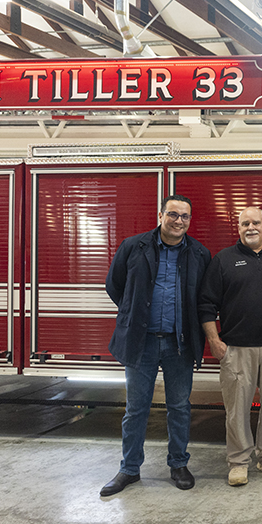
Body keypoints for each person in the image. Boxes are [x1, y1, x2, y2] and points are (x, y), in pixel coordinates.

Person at [100, 194, 211, 497]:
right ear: (160, 215)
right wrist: (132, 314)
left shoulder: (199, 254)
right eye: (173, 214)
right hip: (142, 343)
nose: (178, 221)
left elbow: (204, 298)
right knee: (136, 409)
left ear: (190, 220)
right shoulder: (133, 246)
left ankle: (178, 464)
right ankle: (129, 469)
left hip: (179, 345)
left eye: (185, 216)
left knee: (179, 407)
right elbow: (115, 285)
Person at [198, 207, 262, 486]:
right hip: (236, 349)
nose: (250, 227)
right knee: (236, 409)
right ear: (238, 228)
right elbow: (205, 304)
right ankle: (239, 462)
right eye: (244, 223)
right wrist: (214, 340)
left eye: (255, 223)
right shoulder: (223, 260)